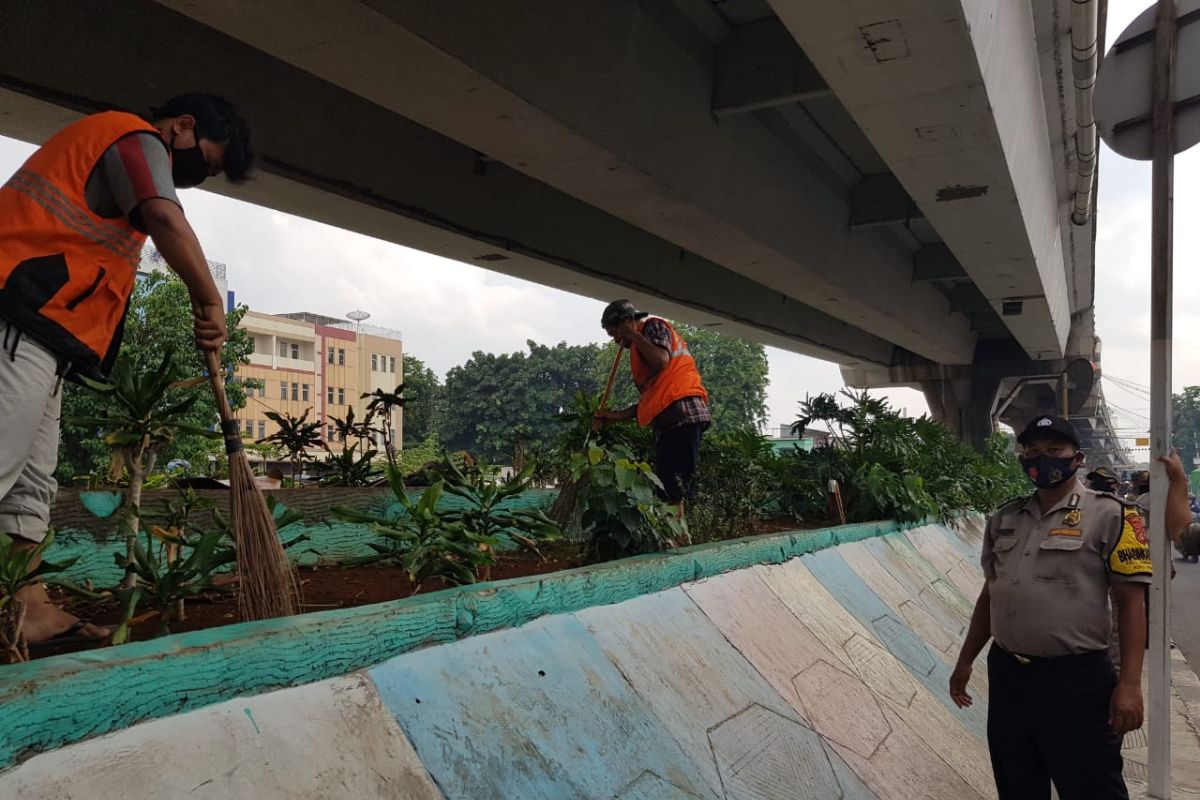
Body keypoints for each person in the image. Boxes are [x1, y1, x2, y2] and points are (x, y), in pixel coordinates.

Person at [0, 93, 253, 647]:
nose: (198, 179)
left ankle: (30, 609)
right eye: (206, 163)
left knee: (30, 485)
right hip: (11, 313)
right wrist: (210, 300)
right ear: (182, 128)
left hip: (45, 336)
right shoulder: (132, 137)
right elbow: (164, 214)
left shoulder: (124, 161)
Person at [948, 414, 1150, 800]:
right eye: (1033, 451)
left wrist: (1129, 684)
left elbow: (1131, 602)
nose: (1043, 459)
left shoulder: (1115, 516)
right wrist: (966, 659)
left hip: (1077, 680)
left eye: (1055, 450)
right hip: (1009, 674)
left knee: (1091, 786)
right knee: (1017, 781)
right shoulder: (1004, 518)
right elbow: (991, 595)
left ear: (1078, 457)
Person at [594, 299, 710, 510]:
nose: (616, 340)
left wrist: (633, 334)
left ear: (628, 322)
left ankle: (678, 534)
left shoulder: (652, 327)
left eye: (615, 333)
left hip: (684, 414)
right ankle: (676, 530)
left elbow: (661, 360)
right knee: (667, 483)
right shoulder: (640, 350)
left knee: (674, 486)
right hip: (670, 416)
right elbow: (653, 400)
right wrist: (614, 416)